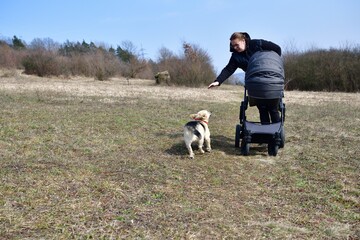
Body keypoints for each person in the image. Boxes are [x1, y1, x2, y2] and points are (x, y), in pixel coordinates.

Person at [208, 32, 283, 124]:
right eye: (233, 46)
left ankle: (277, 133)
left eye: (236, 45)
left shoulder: (257, 44)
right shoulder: (236, 56)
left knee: (272, 108)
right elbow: (228, 69)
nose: (235, 48)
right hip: (255, 83)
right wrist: (218, 81)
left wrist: (274, 64)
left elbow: (277, 49)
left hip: (271, 80)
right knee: (262, 108)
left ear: (243, 41)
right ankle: (266, 133)